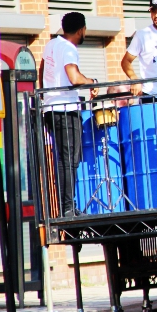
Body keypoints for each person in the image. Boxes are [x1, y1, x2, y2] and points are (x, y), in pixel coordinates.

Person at [41, 11, 99, 216]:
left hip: (50, 108)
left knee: (64, 159)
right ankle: (67, 208)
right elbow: (74, 77)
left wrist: (45, 98)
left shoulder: (51, 45)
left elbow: (42, 70)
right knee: (69, 160)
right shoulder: (68, 48)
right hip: (65, 109)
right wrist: (92, 82)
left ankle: (66, 206)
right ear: (81, 29)